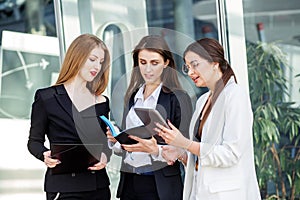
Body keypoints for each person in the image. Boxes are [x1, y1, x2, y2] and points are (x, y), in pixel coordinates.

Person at [155, 38, 261, 199]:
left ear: (214, 63)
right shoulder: (203, 101)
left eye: (195, 65)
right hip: (201, 192)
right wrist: (181, 153)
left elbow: (230, 154)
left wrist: (185, 143)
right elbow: (203, 155)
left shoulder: (235, 95)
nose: (190, 72)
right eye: (187, 67)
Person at [107, 35, 193, 200]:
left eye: (154, 63)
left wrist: (155, 150)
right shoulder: (133, 96)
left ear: (166, 63)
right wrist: (116, 140)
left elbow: (186, 148)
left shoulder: (178, 98)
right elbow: (128, 146)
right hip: (130, 183)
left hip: (160, 186)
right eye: (143, 62)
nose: (147, 69)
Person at [27, 33, 112, 200]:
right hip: (64, 188)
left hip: (98, 186)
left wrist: (105, 156)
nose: (97, 66)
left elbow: (104, 144)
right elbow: (34, 142)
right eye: (92, 59)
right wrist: (44, 154)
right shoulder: (46, 97)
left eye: (101, 62)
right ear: (77, 57)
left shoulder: (102, 101)